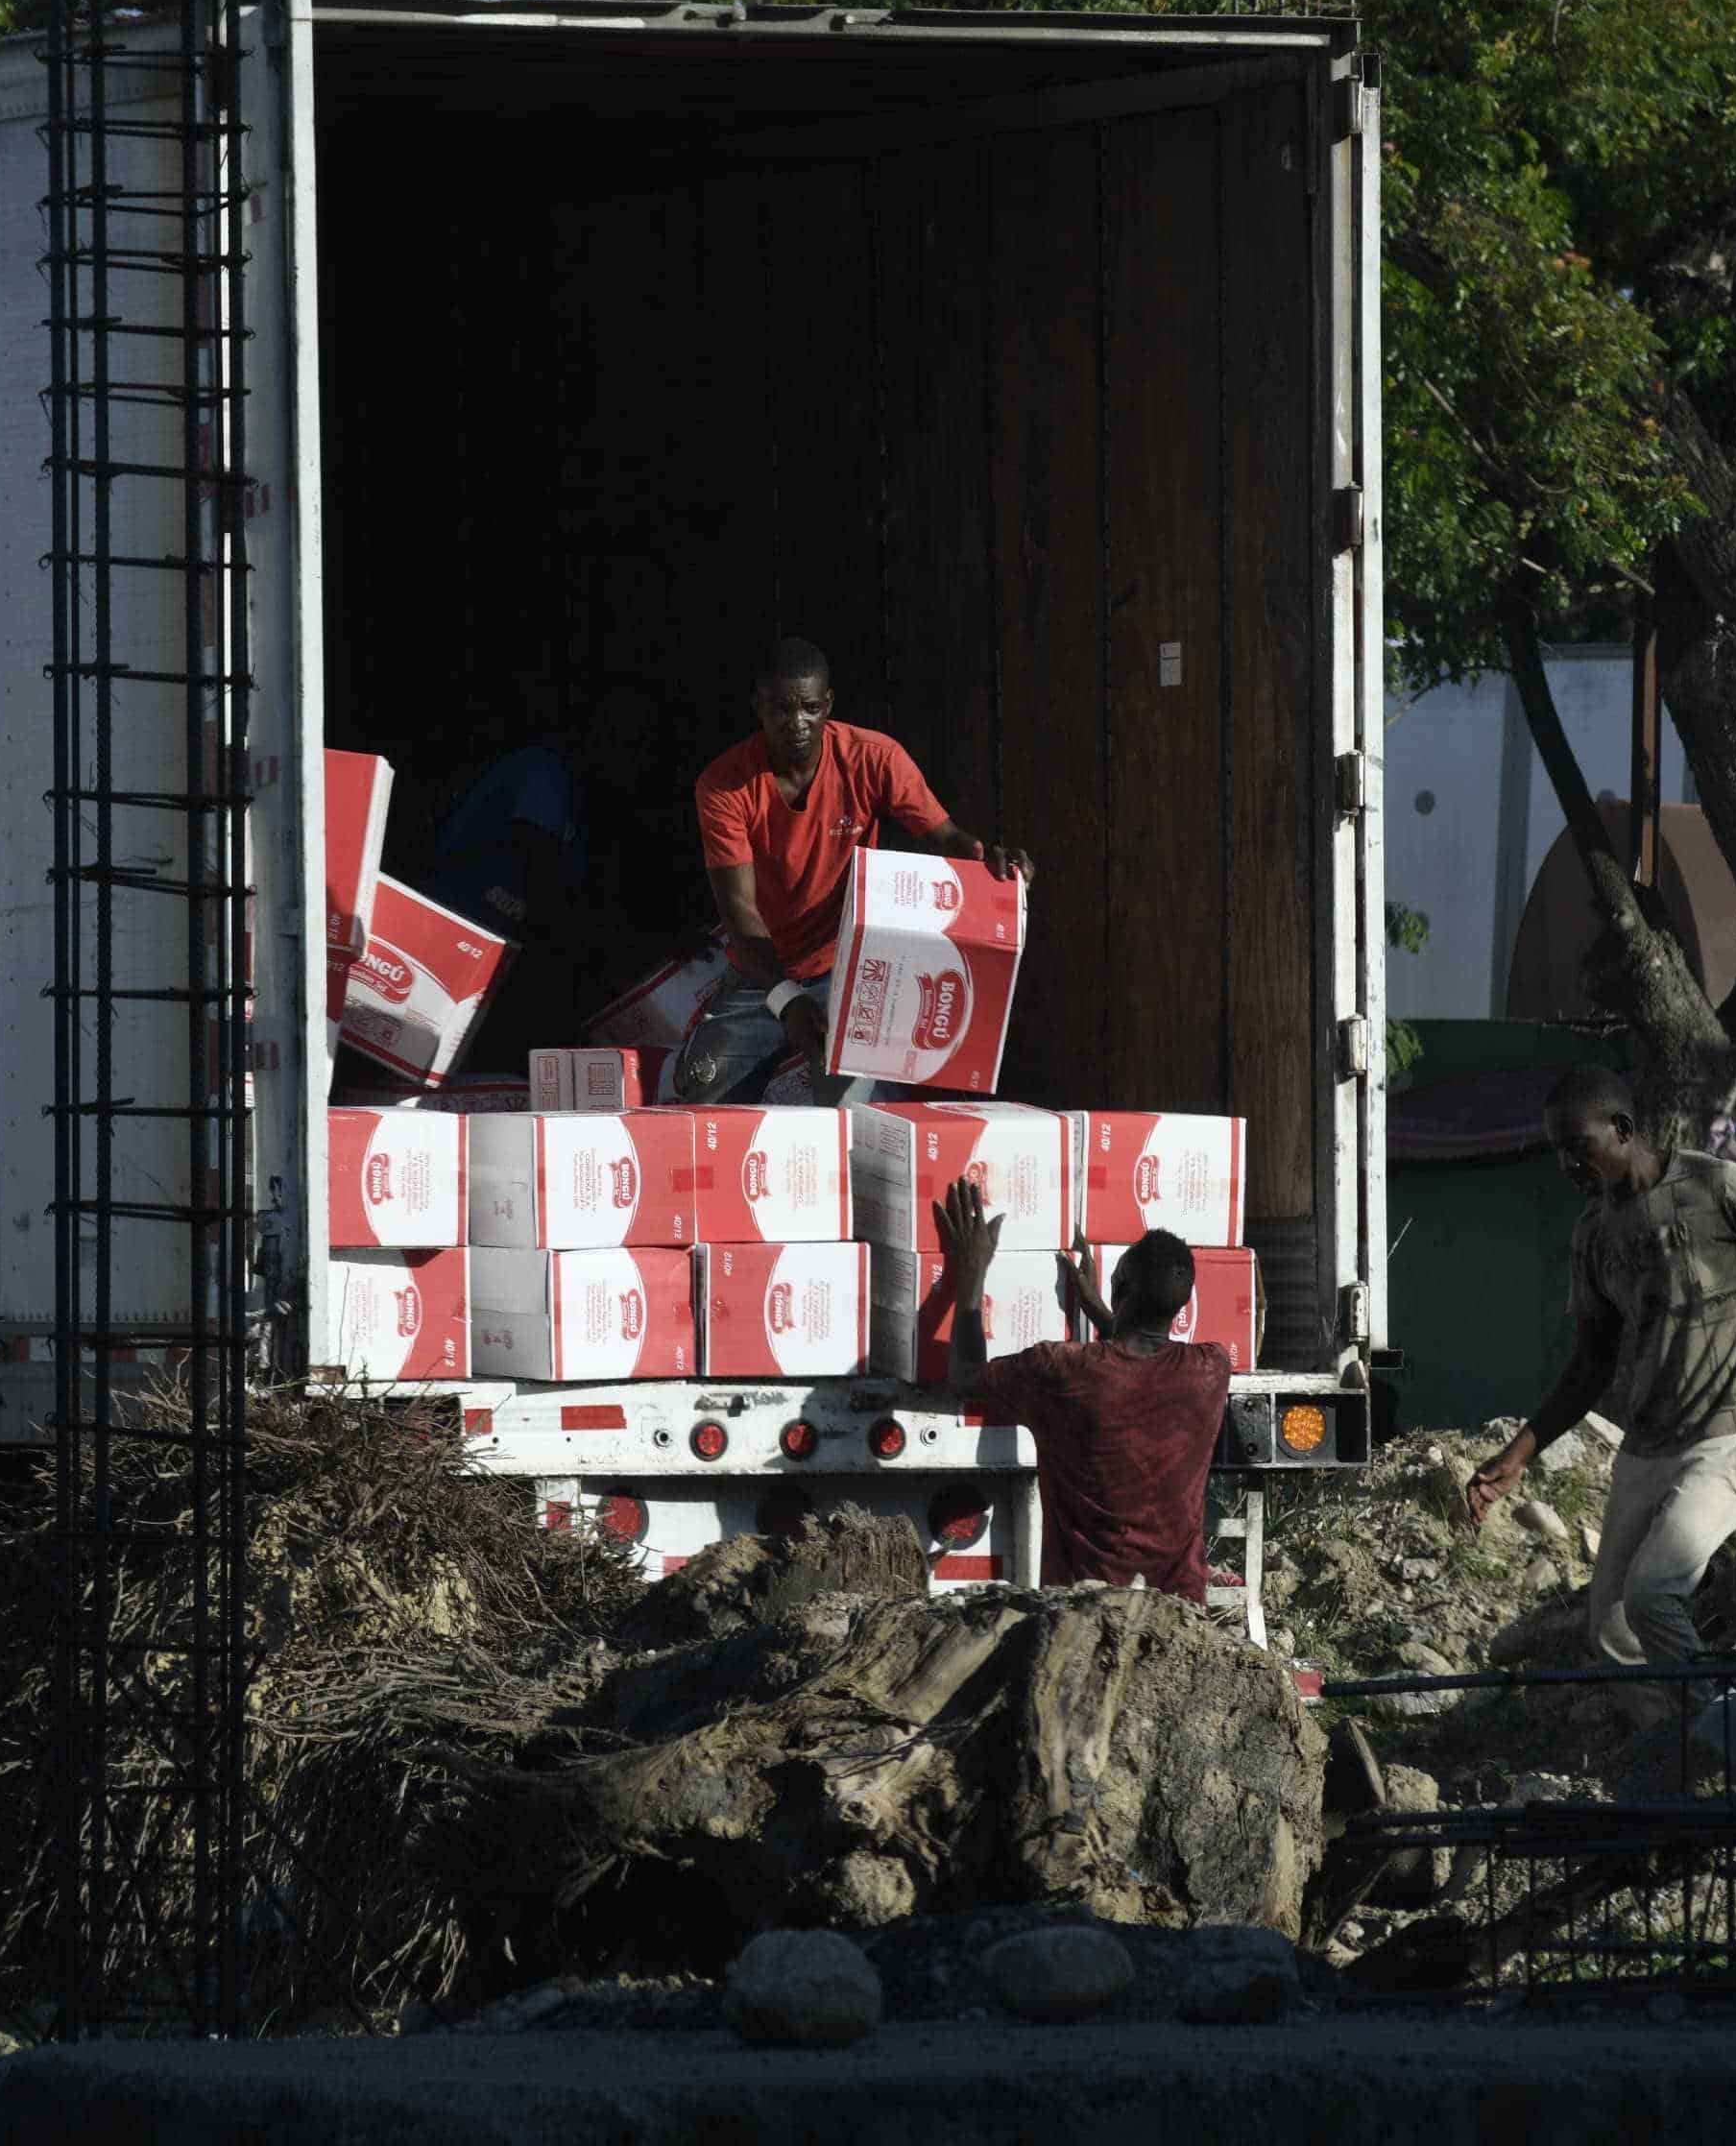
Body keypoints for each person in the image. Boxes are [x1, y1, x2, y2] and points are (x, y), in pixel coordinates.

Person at [1459, 1065, 1736, 1669]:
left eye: (1578, 1148)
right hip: (1647, 1446)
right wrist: (1518, 1454)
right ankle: (1668, 1742)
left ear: (1621, 1130)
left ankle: (1715, 1733)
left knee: (1651, 1597)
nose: (1568, 1165)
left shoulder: (1715, 1183)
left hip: (1729, 1437)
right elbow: (1591, 1364)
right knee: (1611, 1628)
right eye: (1558, 1153)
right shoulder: (1593, 1235)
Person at [676, 638, 1029, 1104]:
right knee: (699, 1100)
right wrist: (787, 1000)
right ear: (758, 707)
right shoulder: (724, 784)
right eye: (782, 709)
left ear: (828, 704)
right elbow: (740, 915)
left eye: (809, 708)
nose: (797, 723)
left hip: (854, 974)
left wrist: (990, 862)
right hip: (763, 977)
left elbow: (947, 839)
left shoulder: (873, 757)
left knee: (862, 1120)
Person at [935, 1178, 1231, 1600]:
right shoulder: (1211, 1371)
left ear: (1121, 1287)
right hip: (1175, 1616)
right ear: (1180, 1304)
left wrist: (971, 1272)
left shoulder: (1061, 1372)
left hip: (1080, 1615)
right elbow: (1142, 1361)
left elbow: (964, 1377)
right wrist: (1100, 1310)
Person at [424, 686, 669, 1054]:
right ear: (599, 733)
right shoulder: (545, 774)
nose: (642, 760)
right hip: (446, 949)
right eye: (633, 743)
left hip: (491, 960)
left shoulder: (581, 801)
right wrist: (646, 952)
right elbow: (546, 905)